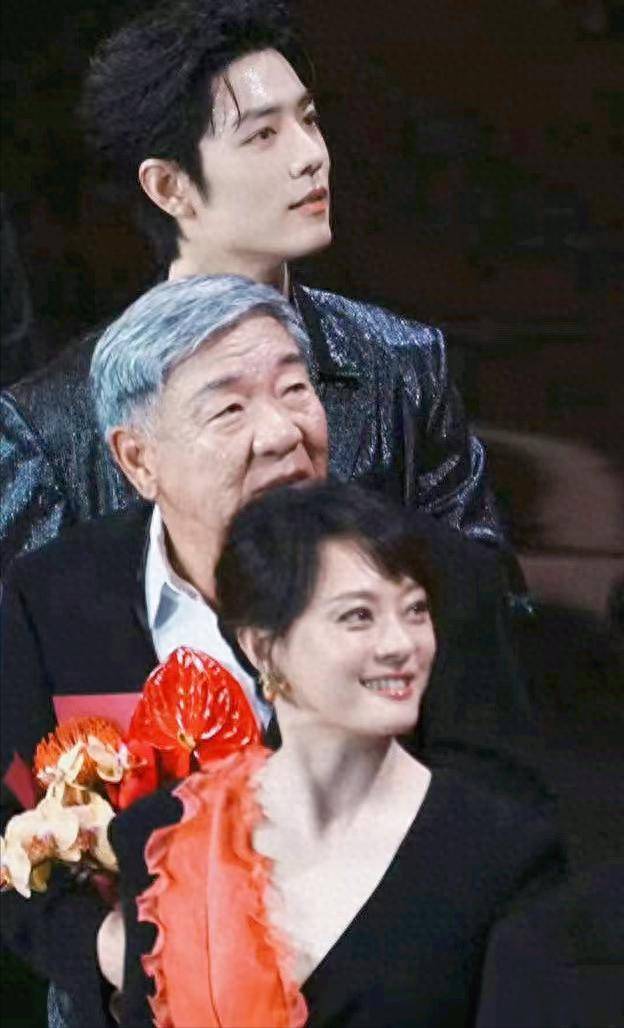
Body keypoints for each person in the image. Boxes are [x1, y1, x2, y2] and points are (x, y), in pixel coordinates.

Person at [1, 276, 535, 1027]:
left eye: (295, 389)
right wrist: (110, 948)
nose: (283, 432)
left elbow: (507, 830)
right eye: (229, 408)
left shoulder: (435, 580)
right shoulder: (53, 597)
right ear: (138, 460)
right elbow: (14, 824)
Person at [0, 0, 503, 579]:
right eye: (263, 134)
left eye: (309, 120)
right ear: (169, 186)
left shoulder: (403, 365)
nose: (311, 156)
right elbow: (37, 626)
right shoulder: (49, 425)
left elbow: (490, 603)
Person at [111, 481, 561, 1028]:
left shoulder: (502, 854)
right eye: (358, 616)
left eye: (415, 610)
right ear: (262, 646)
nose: (400, 644)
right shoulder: (166, 838)